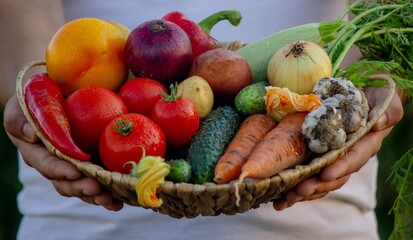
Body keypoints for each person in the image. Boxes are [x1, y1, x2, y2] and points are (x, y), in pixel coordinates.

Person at [1, 0, 404, 239]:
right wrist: (29, 87)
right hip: (76, 219)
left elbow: (386, 14)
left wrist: (370, 89)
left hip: (319, 224)